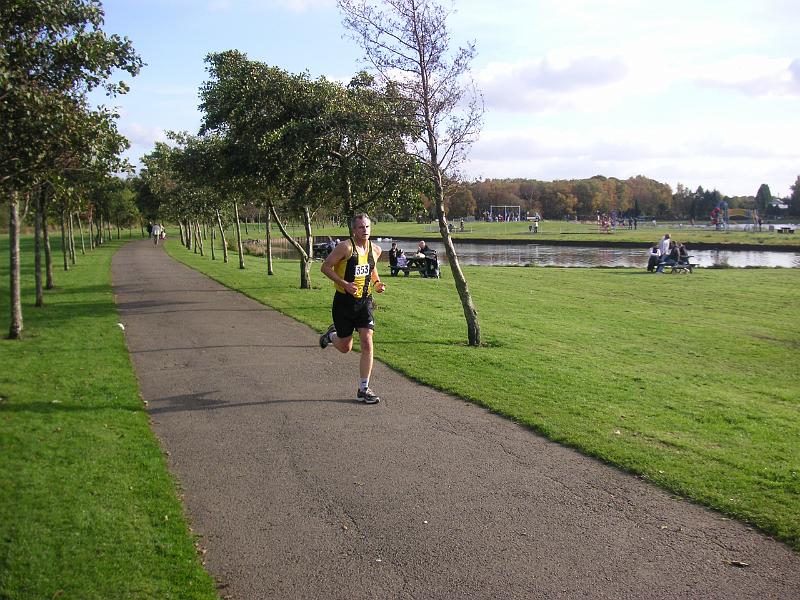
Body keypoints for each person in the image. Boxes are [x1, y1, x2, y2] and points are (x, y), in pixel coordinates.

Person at [319, 214, 386, 404]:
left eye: (367, 227)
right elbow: (325, 267)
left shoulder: (376, 250)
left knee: (367, 342)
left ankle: (364, 389)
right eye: (360, 227)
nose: (365, 230)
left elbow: (371, 267)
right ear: (353, 230)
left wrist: (377, 282)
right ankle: (331, 336)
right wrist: (344, 283)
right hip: (343, 302)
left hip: (364, 302)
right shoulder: (345, 248)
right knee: (345, 347)